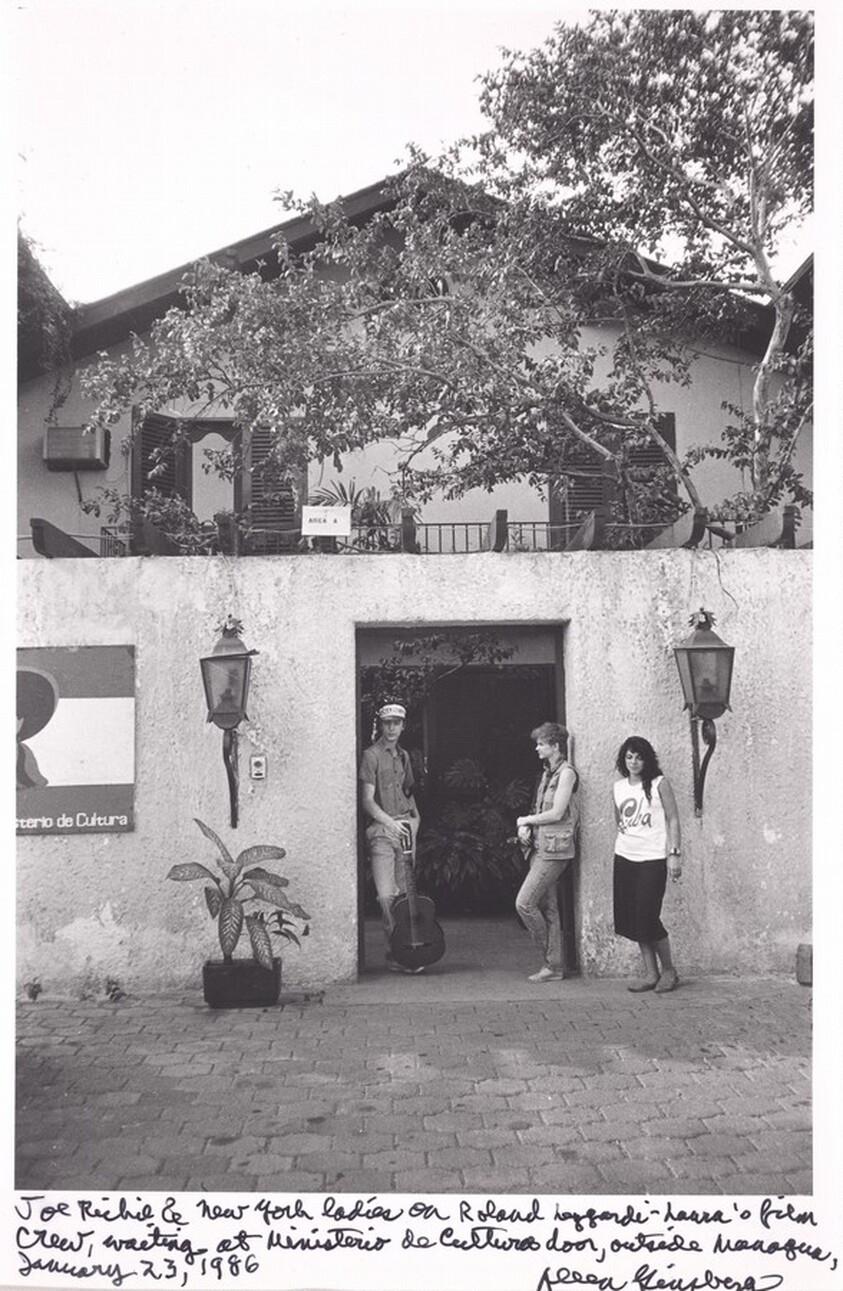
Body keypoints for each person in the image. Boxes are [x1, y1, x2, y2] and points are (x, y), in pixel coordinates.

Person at [612, 735, 682, 993]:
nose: (634, 762)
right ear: (623, 759)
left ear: (647, 758)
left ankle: (669, 970)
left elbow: (673, 819)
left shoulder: (659, 783)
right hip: (624, 857)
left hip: (652, 858)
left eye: (639, 756)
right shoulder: (618, 787)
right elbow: (618, 820)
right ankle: (650, 973)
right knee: (634, 918)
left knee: (648, 916)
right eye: (629, 756)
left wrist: (674, 853)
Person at [359, 701, 423, 974]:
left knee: (406, 896)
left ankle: (407, 953)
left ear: (403, 725)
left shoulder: (405, 756)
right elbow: (367, 801)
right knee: (387, 896)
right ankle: (393, 952)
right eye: (387, 723)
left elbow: (408, 793)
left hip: (407, 831)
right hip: (383, 833)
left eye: (397, 723)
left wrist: (415, 821)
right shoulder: (371, 755)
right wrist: (389, 823)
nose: (392, 727)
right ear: (381, 725)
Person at [515, 722, 578, 983]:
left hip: (555, 851)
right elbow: (542, 808)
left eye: (541, 743)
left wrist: (527, 820)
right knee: (549, 909)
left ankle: (551, 960)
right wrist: (527, 827)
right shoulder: (547, 773)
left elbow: (557, 812)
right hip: (540, 847)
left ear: (556, 746)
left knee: (524, 903)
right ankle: (554, 967)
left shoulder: (567, 774)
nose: (537, 748)